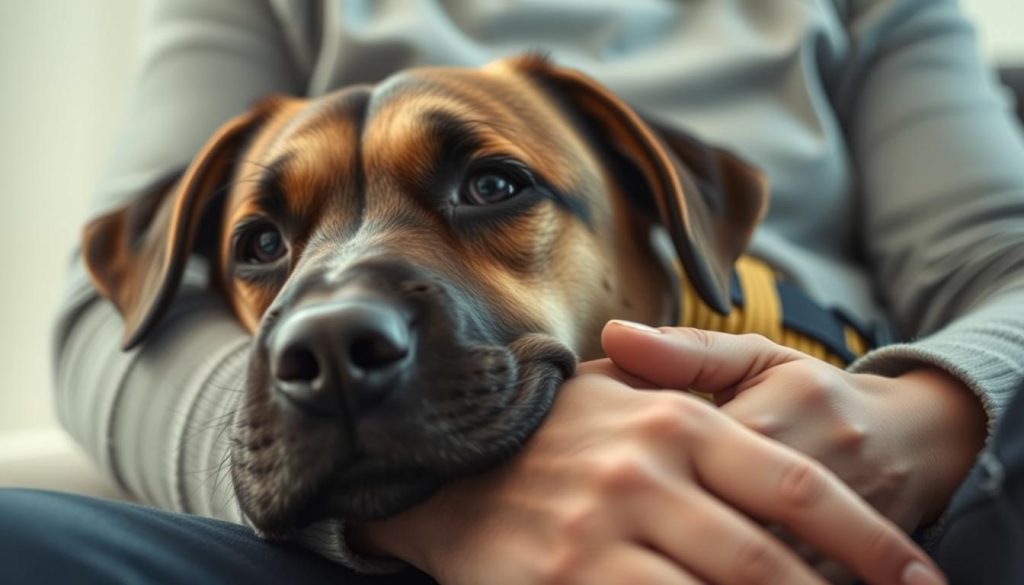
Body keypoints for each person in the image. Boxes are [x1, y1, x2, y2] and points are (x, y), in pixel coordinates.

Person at [6, 0, 1023, 583]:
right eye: (264, 243)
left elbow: (1003, 260)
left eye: (493, 187)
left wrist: (922, 420)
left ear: (670, 210)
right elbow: (116, 322)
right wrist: (450, 510)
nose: (326, 322)